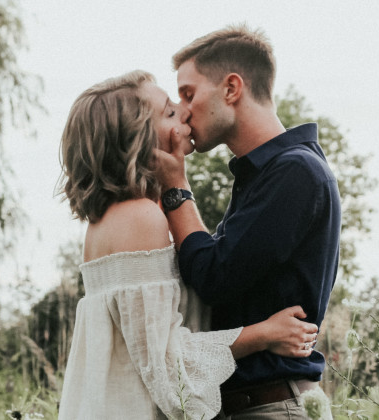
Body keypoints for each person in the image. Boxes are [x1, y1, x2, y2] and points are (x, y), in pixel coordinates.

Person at [56, 70, 320, 420]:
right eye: (168, 112)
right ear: (138, 141)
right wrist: (264, 334)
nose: (184, 112)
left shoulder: (117, 217)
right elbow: (168, 363)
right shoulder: (139, 219)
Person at [153, 25, 341, 419]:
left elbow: (214, 277)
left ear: (232, 88)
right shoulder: (267, 174)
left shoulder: (294, 173)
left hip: (271, 405)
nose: (183, 110)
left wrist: (175, 187)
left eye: (188, 93)